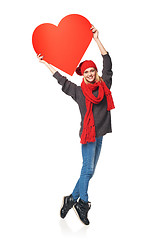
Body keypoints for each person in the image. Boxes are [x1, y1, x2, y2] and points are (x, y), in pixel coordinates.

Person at [37, 25, 115, 225]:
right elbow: (61, 80)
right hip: (88, 135)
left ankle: (71, 199)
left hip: (100, 135)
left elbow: (108, 63)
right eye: (86, 71)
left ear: (95, 72)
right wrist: (45, 62)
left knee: (90, 171)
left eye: (92, 70)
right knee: (87, 171)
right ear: (83, 74)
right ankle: (83, 203)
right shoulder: (78, 92)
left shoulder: (105, 85)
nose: (89, 73)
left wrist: (97, 39)